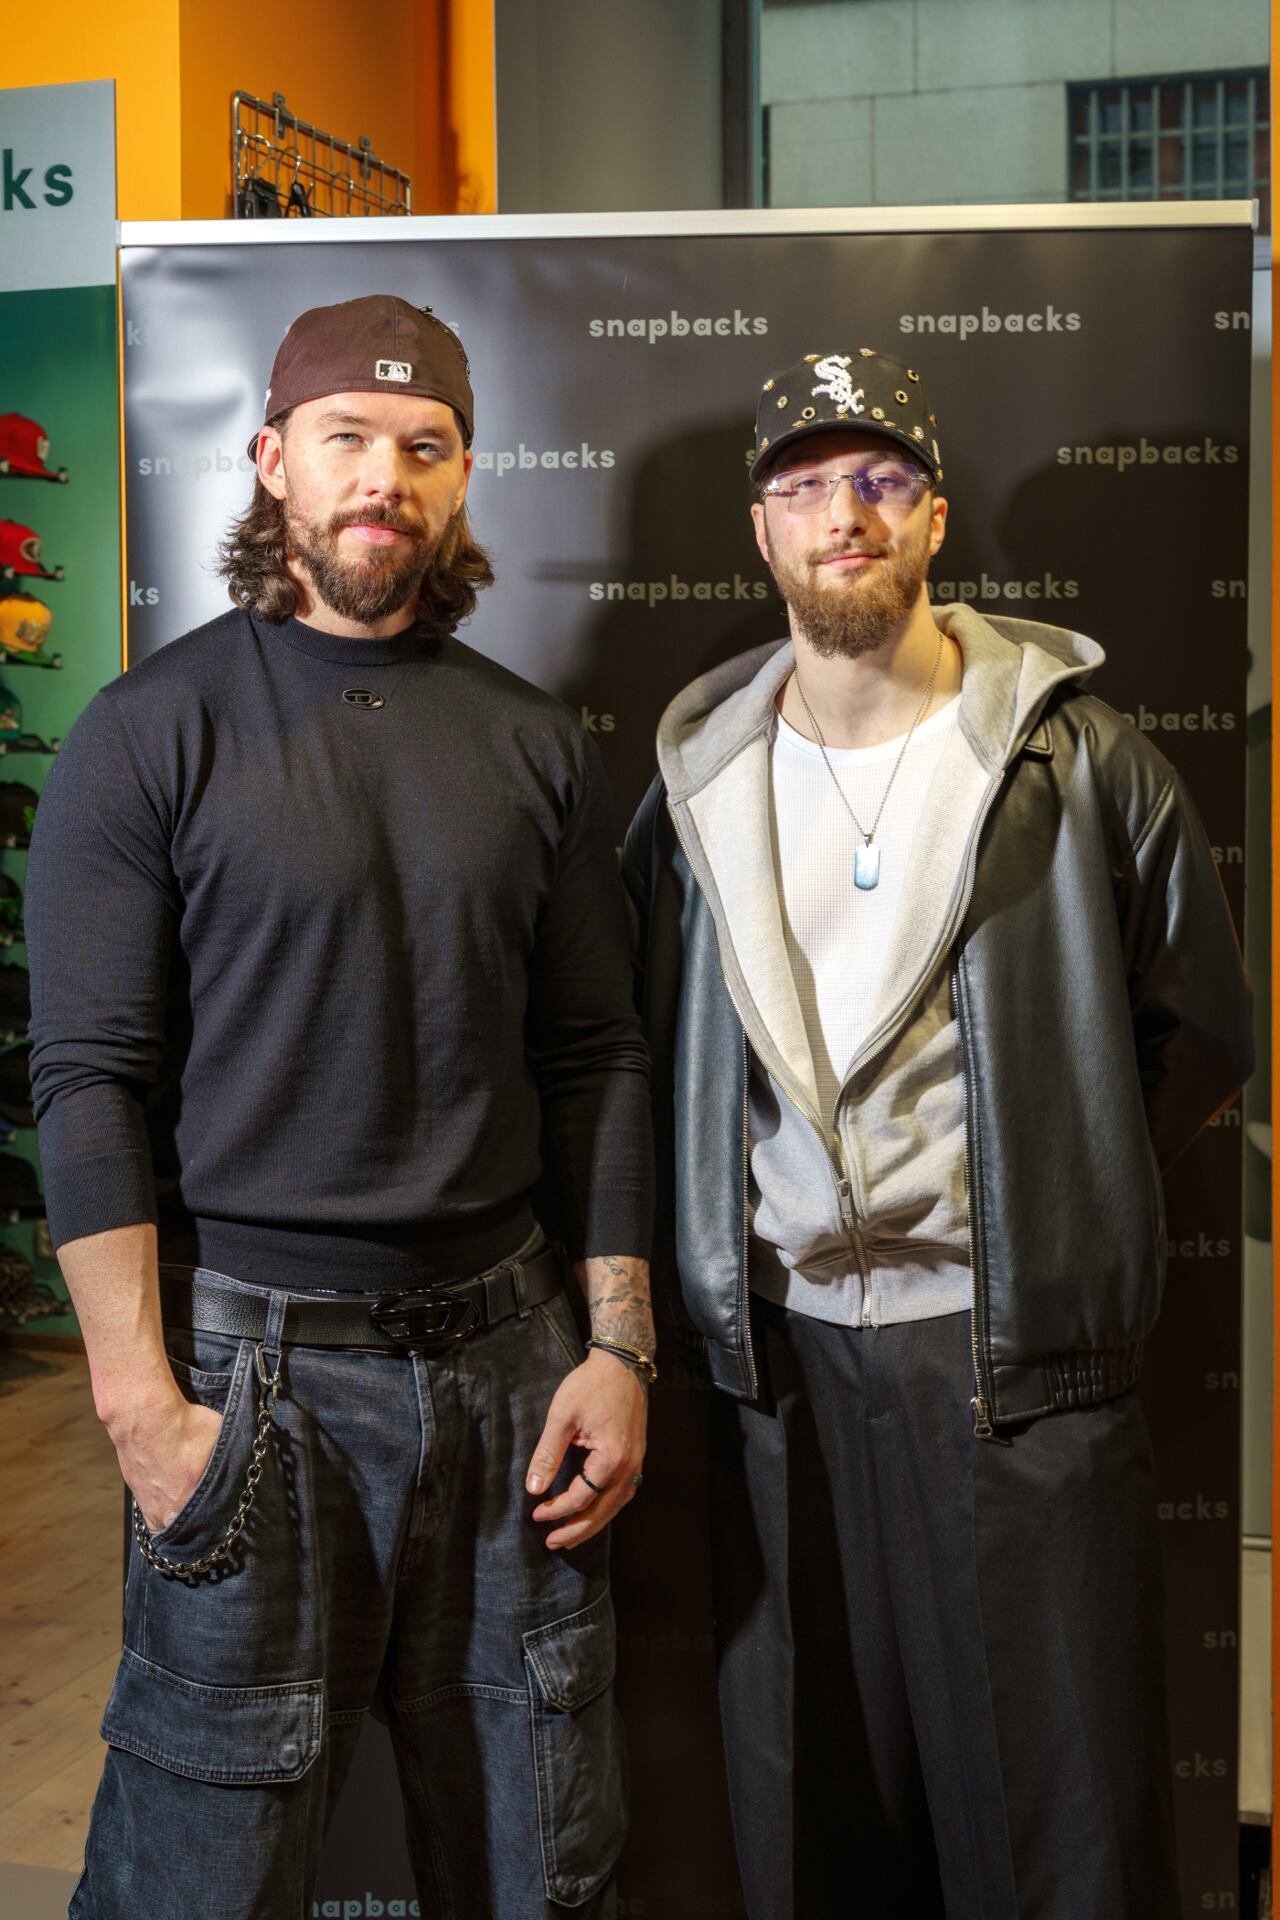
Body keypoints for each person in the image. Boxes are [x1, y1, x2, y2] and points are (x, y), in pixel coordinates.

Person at [27, 294, 655, 1920]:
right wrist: (143, 1412)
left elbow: (598, 1057)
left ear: (462, 477)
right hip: (252, 1390)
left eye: (425, 445)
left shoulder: (535, 742)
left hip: (516, 1383)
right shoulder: (147, 733)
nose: (386, 475)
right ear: (271, 460)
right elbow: (89, 1082)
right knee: (203, 1881)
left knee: (543, 1869)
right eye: (348, 437)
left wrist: (619, 1349)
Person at [623, 344, 1253, 1918]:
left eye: (882, 479)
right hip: (779, 1377)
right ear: (761, 529)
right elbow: (644, 1054)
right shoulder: (695, 787)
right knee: (817, 1827)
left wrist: (1061, 1198)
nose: (846, 513)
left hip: (1018, 1371)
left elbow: (1202, 1038)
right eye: (806, 486)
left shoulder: (1083, 760)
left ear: (935, 517)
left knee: (1061, 1839)